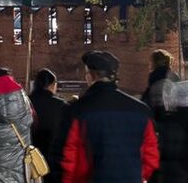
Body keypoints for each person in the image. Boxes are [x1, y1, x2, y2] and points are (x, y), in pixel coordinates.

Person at [59, 51, 159, 183]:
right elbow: (151, 155)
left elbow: (68, 158)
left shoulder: (77, 110)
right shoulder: (141, 110)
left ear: (91, 75)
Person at [144, 49, 186, 183]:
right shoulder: (175, 79)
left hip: (161, 136)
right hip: (180, 134)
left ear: (153, 63)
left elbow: (147, 110)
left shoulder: (153, 83)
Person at [29, 68, 66, 183]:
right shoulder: (60, 105)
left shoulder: (27, 102)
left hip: (30, 157)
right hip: (54, 158)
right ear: (52, 85)